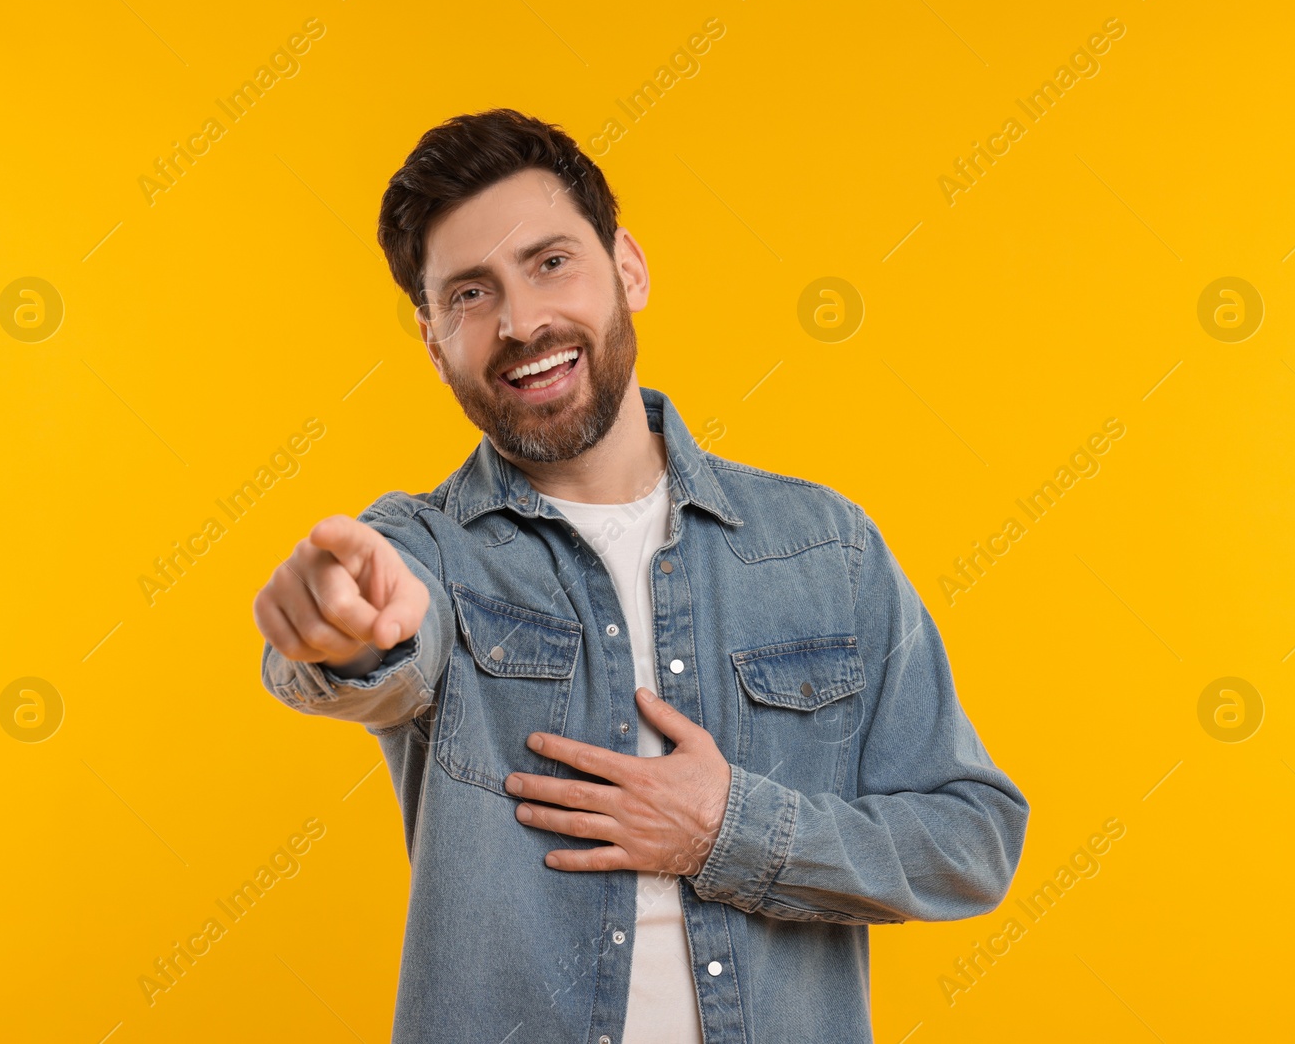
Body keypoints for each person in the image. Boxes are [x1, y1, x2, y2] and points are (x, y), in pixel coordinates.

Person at [253, 107, 1029, 1044]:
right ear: (431, 338)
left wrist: (729, 831)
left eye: (550, 262)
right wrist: (344, 638)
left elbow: (972, 839)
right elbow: (383, 644)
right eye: (468, 294)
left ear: (628, 266)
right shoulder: (425, 548)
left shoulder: (825, 545)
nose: (521, 320)